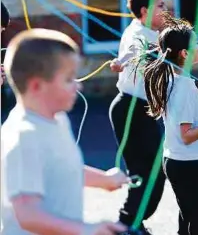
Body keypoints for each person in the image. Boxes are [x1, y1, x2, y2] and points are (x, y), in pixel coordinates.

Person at [1, 28, 129, 235]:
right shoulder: (24, 137)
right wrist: (87, 230)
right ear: (36, 86)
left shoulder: (58, 120)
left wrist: (104, 180)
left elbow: (64, 169)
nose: (78, 86)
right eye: (69, 79)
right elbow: (26, 214)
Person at [136, 13, 198, 235]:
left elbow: (180, 113)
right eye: (197, 43)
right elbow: (186, 135)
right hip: (185, 164)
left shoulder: (174, 80)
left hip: (176, 161)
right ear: (185, 54)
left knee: (189, 220)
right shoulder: (184, 88)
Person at [109, 0, 168, 234]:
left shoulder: (157, 33)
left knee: (154, 171)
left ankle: (132, 222)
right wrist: (120, 62)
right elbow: (132, 52)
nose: (167, 10)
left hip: (143, 109)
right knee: (145, 171)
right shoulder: (137, 34)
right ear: (144, 11)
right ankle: (127, 223)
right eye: (161, 6)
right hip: (129, 108)